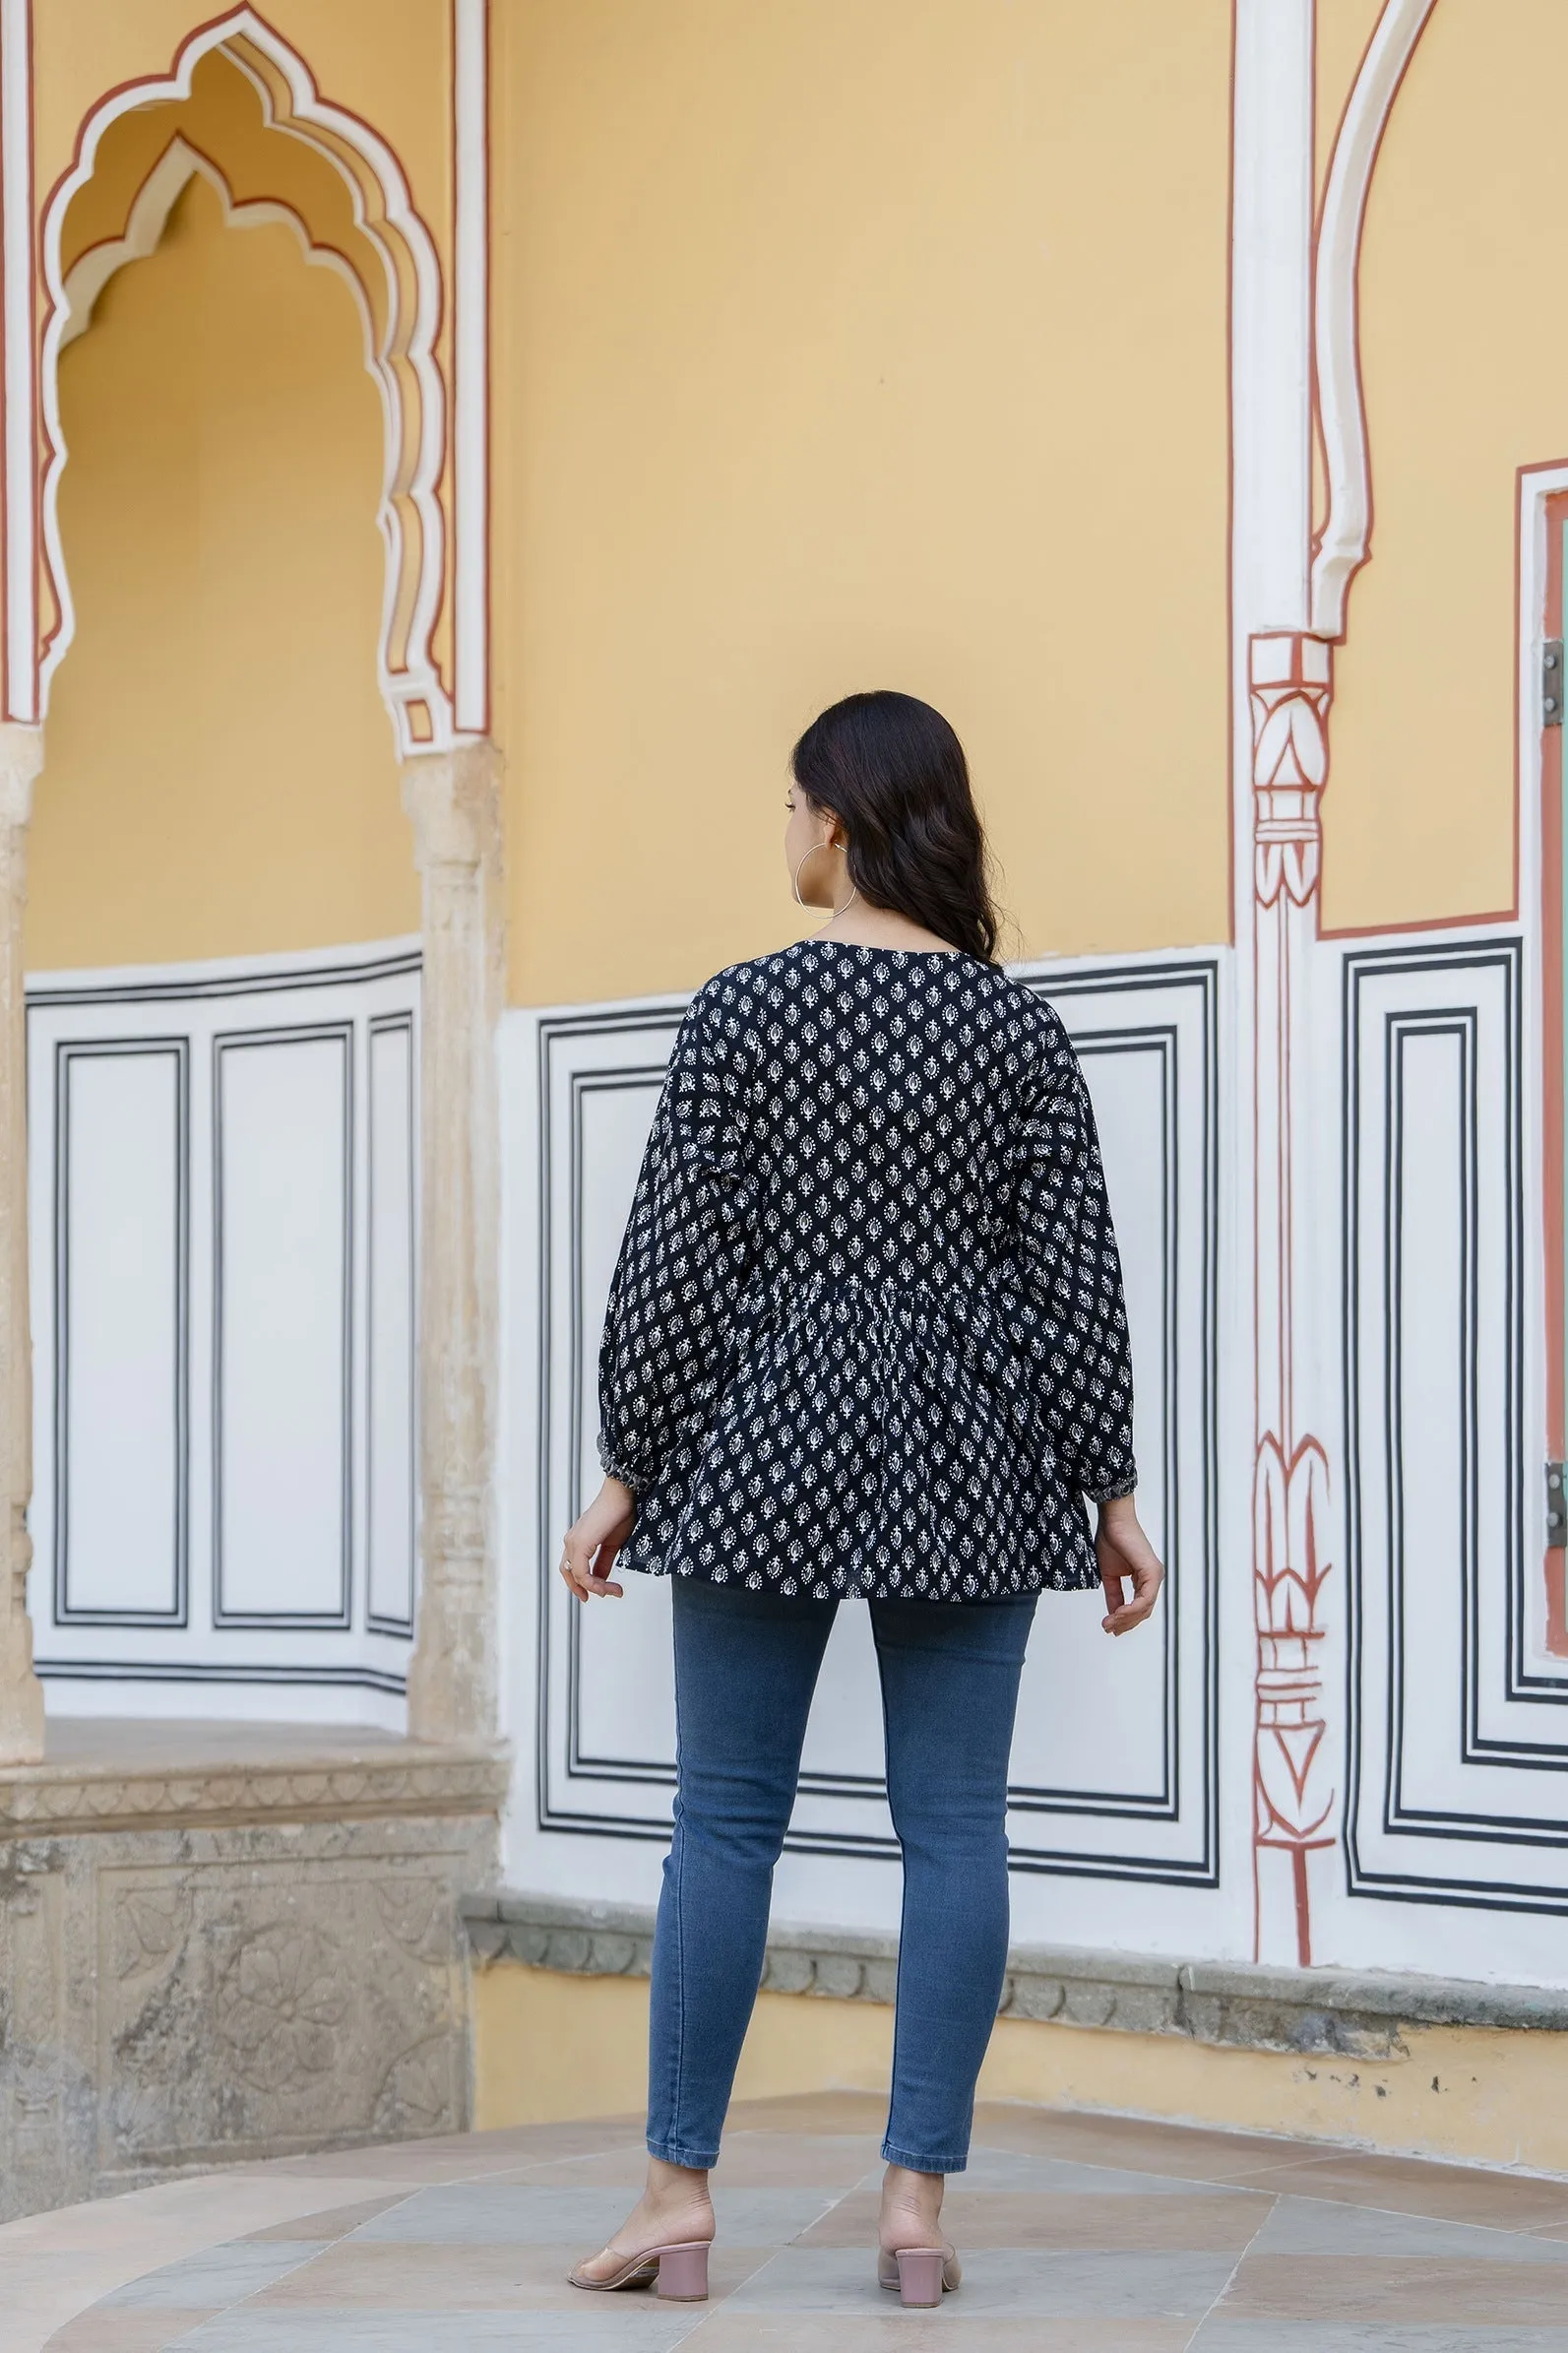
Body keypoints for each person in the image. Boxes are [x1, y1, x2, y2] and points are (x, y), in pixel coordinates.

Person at [558, 689, 1164, 2311]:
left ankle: (677, 2193)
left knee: (722, 1821)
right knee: (957, 1828)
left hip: (759, 1439)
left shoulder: (745, 1013)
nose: (782, 829)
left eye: (787, 802)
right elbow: (1076, 1283)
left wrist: (627, 1463)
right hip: (976, 1447)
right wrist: (1106, 1482)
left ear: (834, 819)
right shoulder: (1015, 1031)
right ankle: (913, 2207)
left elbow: (677, 1269)